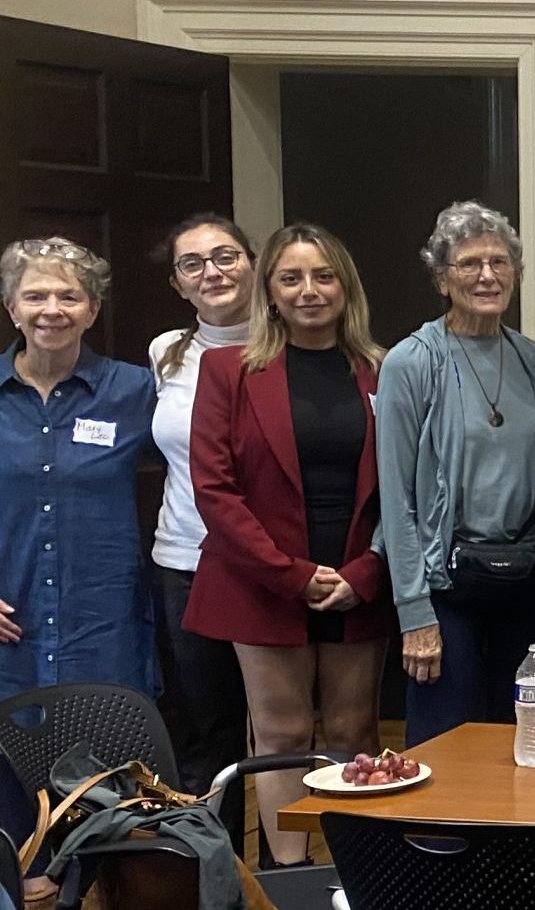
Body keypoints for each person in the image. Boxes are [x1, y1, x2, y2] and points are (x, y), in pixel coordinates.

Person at [187, 223, 390, 868]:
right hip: (261, 579)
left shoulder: (386, 369)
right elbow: (214, 489)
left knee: (355, 732)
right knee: (281, 734)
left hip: (360, 576)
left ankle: (358, 875)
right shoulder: (228, 370)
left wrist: (363, 571)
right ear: (269, 291)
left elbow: (413, 485)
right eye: (291, 278)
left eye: (323, 276)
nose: (309, 291)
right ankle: (290, 880)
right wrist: (292, 576)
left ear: (346, 286)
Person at [378, 201, 535, 747]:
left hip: (529, 580)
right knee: (447, 745)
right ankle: (437, 840)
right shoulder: (412, 363)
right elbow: (397, 500)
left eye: (500, 262)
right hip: (447, 587)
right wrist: (414, 613)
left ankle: (521, 838)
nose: (487, 275)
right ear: (442, 278)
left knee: (529, 738)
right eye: (469, 263)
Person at [1, 236, 157, 703]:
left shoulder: (135, 392)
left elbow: (198, 477)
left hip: (104, 627)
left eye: (69, 296)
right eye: (35, 296)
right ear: (12, 308)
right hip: (11, 629)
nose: (52, 309)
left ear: (91, 311)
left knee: (106, 768)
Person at [146, 216, 254, 831]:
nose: (211, 271)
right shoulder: (166, 352)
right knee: (205, 733)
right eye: (194, 264)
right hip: (184, 562)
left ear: (251, 263)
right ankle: (218, 876)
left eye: (225, 256)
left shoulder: (291, 344)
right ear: (179, 285)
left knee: (277, 729)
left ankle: (284, 878)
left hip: (267, 567)